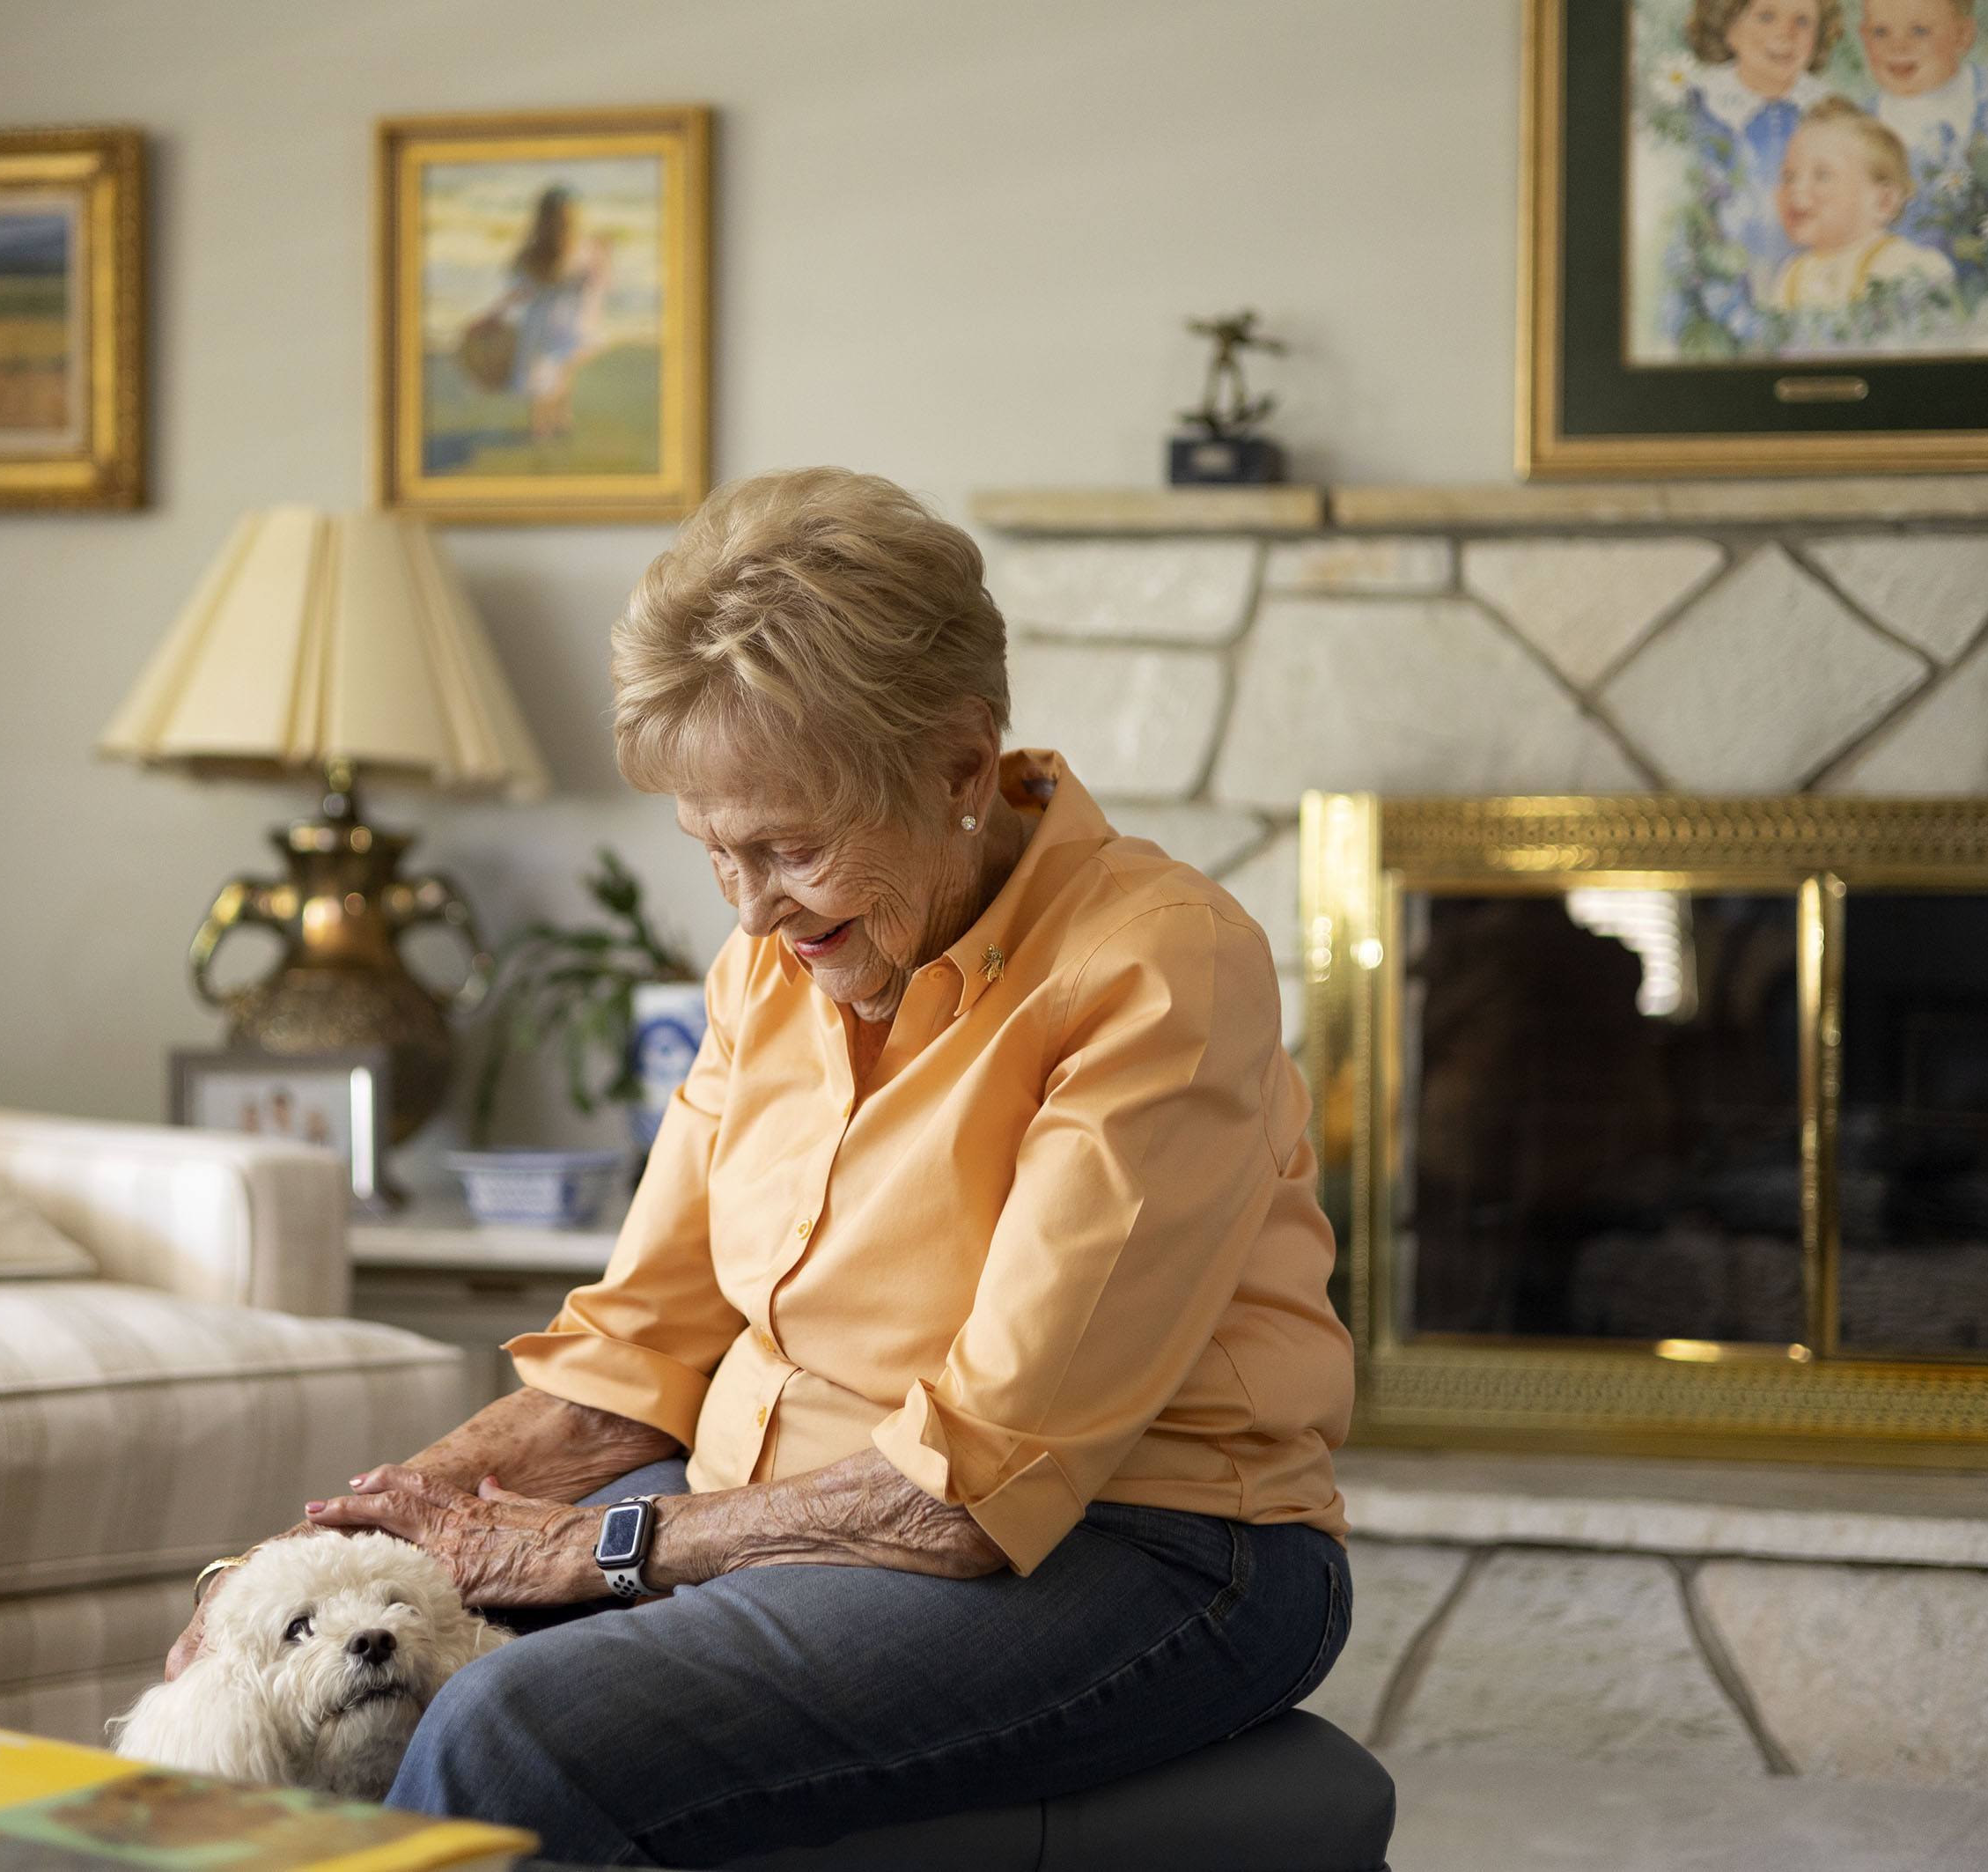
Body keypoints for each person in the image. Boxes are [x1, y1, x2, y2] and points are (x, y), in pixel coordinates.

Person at [166, 468, 1357, 1868]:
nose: (748, 909)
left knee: (512, 1726)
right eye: (714, 850)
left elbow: (974, 1482)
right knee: (340, 1659)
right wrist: (345, 1537)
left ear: (964, 767)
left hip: (1148, 1548)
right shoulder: (771, 967)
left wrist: (593, 1553)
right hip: (767, 1504)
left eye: (789, 846)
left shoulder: (1159, 963)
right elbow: (636, 1357)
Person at [1671, 0, 1843, 311]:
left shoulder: (1829, 115)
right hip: (1714, 284)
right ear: (1729, 26)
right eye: (1766, 17)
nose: (1786, 34)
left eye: (1802, 22)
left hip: (1807, 286)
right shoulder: (1695, 111)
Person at [1854, 0, 1988, 296]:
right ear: (1864, 37)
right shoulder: (1858, 129)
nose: (1897, 46)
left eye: (1919, 31)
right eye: (1881, 32)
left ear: (1963, 35)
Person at [1766, 97, 1956, 310]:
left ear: (1883, 202)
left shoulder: (1904, 265)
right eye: (1788, 177)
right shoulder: (1792, 277)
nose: (1796, 189)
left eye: (1821, 175)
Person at [495, 184, 610, 448]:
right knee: (548, 373)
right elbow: (522, 289)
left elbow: (593, 284)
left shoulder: (573, 250)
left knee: (553, 371)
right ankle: (548, 422)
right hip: (554, 321)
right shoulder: (550, 252)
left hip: (555, 320)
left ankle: (552, 420)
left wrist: (601, 260)